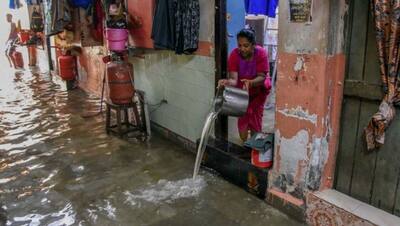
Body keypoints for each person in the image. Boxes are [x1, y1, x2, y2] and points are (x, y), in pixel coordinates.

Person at [218, 28, 271, 142]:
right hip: (242, 93)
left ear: (253, 45)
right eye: (239, 45)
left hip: (258, 93)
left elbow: (262, 77)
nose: (242, 49)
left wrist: (251, 83)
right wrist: (226, 82)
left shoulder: (261, 53)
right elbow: (234, 80)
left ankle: (253, 148)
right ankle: (247, 144)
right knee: (242, 130)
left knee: (255, 124)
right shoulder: (234, 55)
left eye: (246, 45)